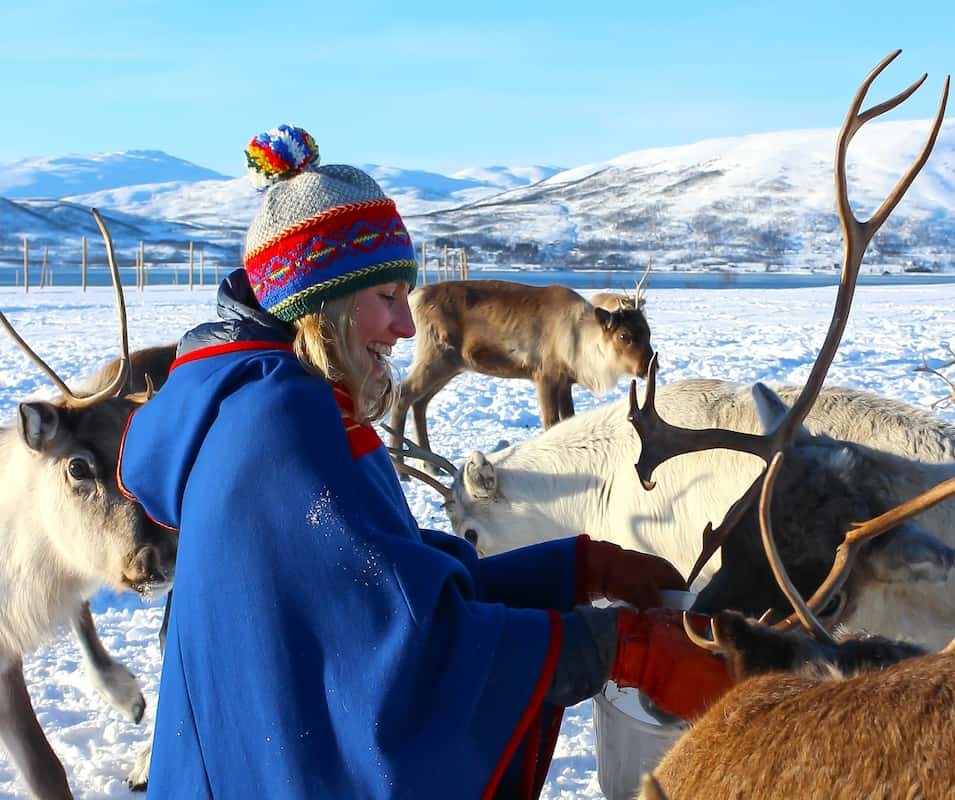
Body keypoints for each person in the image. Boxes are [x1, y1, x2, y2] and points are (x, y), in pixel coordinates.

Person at [118, 124, 733, 799]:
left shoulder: (262, 401)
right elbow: (409, 656)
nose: (408, 328)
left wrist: (579, 569)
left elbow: (385, 590)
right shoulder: (283, 429)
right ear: (318, 303)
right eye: (386, 299)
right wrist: (618, 646)